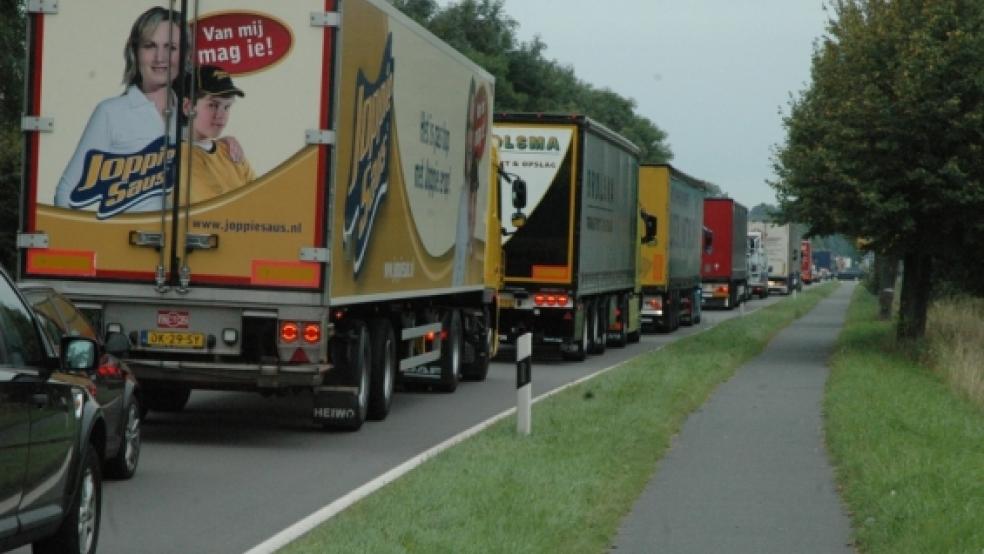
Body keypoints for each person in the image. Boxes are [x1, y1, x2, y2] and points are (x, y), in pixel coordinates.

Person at [54, 6, 243, 218]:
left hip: (185, 246)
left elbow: (200, 152)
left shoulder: (188, 113)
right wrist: (103, 237)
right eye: (150, 46)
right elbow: (65, 194)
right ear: (135, 52)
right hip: (127, 246)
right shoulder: (111, 112)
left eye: (170, 47)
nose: (159, 58)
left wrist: (223, 144)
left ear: (185, 55)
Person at [180, 64, 255, 204]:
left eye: (227, 106)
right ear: (187, 107)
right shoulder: (179, 156)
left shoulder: (230, 150)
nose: (221, 115)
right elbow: (215, 211)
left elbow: (261, 198)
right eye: (213, 105)